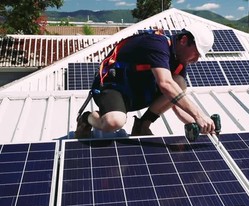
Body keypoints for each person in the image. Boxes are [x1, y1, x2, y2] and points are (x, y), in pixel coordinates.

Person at [75, 23, 216, 138]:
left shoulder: (179, 62)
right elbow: (165, 84)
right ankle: (86, 119)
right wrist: (199, 115)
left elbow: (175, 100)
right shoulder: (157, 44)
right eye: (196, 53)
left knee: (179, 83)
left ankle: (142, 126)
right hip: (113, 88)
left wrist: (196, 123)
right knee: (113, 122)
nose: (196, 60)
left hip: (136, 93)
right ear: (184, 40)